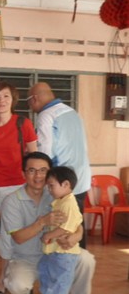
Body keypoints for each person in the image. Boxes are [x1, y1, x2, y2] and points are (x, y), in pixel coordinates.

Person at [0, 151, 97, 294]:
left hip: (58, 253)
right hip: (27, 258)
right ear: (23, 173)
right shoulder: (11, 201)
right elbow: (18, 238)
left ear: (50, 173)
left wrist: (77, 235)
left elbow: (75, 221)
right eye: (32, 170)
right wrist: (43, 222)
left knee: (86, 259)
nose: (38, 176)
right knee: (17, 285)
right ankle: (28, 293)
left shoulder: (58, 193)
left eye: (43, 170)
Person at [0, 81, 38, 294]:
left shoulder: (23, 124)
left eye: (6, 96)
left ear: (13, 100)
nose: (1, 101)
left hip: (16, 186)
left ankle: (2, 280)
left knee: (9, 233)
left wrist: (34, 186)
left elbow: (34, 157)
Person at [28, 82, 91, 247]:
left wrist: (40, 178)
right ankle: (79, 260)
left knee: (61, 226)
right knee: (76, 224)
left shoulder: (46, 116)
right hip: (81, 179)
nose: (30, 106)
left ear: (34, 99)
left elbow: (45, 152)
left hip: (61, 182)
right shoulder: (72, 112)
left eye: (29, 101)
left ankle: (65, 261)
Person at [28, 166, 83, 294]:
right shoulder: (60, 201)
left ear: (65, 184)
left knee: (60, 281)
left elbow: (67, 227)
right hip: (54, 250)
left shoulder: (69, 203)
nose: (49, 189)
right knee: (45, 271)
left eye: (51, 186)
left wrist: (48, 235)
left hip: (65, 253)